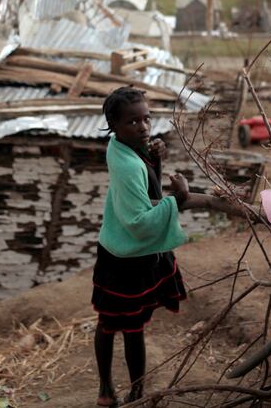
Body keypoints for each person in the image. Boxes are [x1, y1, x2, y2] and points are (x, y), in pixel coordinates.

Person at [92, 86, 191, 406]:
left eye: (146, 119)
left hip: (118, 250)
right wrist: (178, 198)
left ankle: (123, 390)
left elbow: (149, 189)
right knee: (122, 327)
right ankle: (116, 388)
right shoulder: (127, 164)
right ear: (114, 125)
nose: (144, 127)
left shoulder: (122, 148)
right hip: (127, 259)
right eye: (133, 122)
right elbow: (139, 221)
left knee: (118, 325)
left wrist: (153, 157)